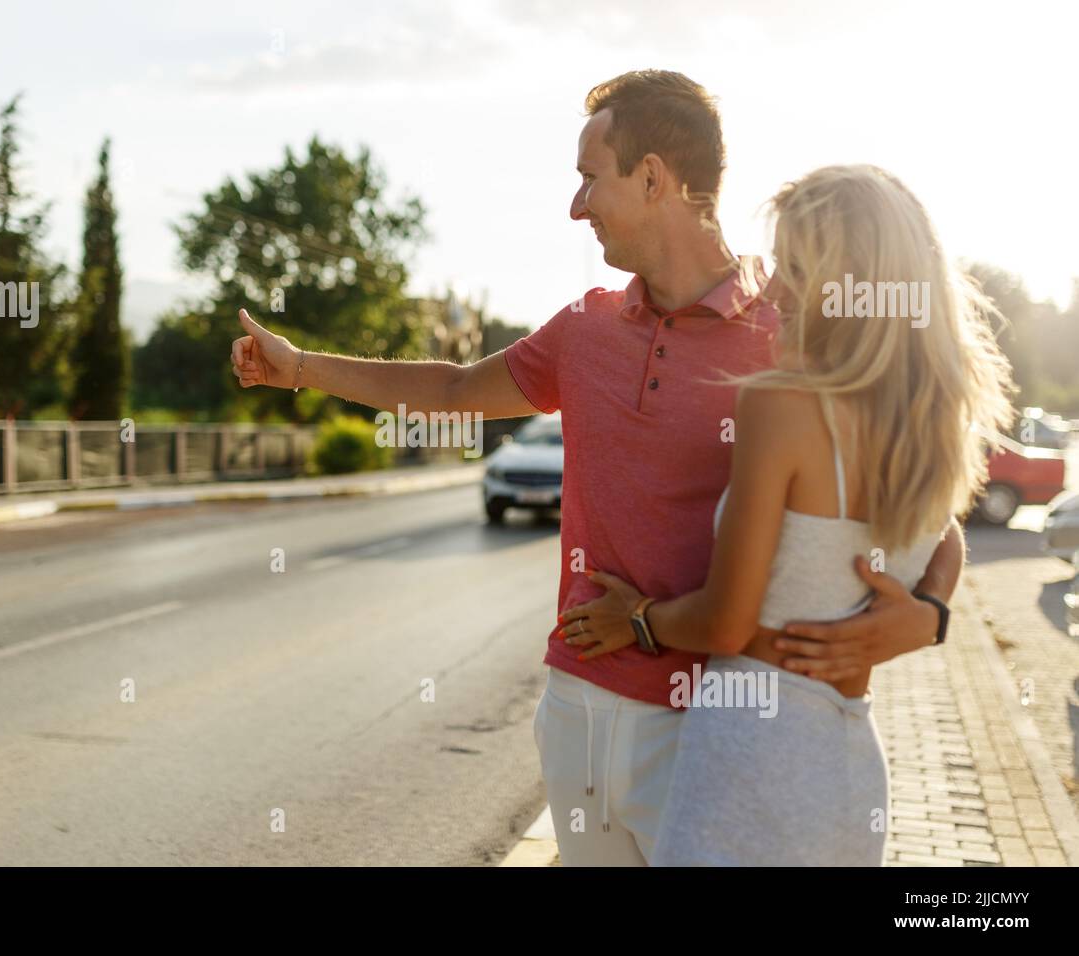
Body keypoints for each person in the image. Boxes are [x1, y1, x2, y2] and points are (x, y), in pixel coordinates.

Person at [230, 70, 965, 866]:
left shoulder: (789, 326)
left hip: (708, 720)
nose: (576, 206)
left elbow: (926, 499)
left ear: (652, 177)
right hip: (575, 705)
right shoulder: (584, 328)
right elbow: (449, 388)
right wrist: (298, 365)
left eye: (589, 178)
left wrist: (929, 613)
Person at [557, 163, 1015, 865]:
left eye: (794, 267)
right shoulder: (936, 425)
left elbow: (728, 621)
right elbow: (946, 534)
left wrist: (639, 619)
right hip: (847, 768)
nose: (770, 289)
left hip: (749, 763)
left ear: (845, 285)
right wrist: (931, 613)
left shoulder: (781, 405)